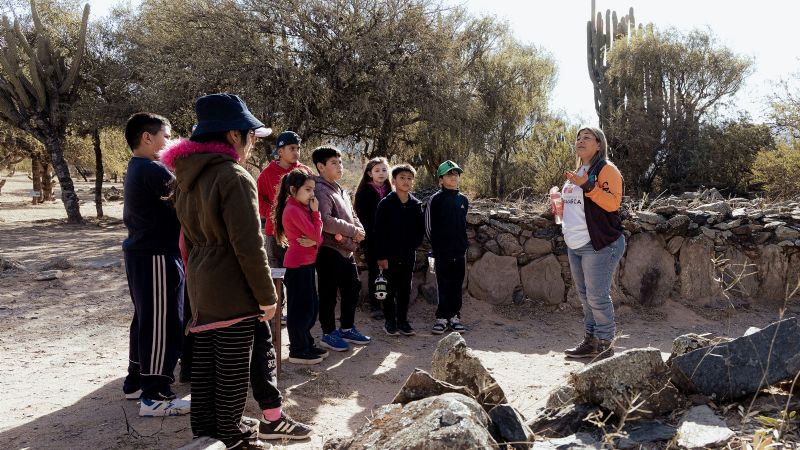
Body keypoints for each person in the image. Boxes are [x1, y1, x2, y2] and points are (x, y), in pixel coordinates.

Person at [160, 93, 280, 449]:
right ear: (232, 135)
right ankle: (232, 436)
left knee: (207, 364)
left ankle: (205, 431)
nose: (252, 143)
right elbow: (249, 245)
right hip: (232, 286)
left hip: (201, 283)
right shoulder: (233, 176)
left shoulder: (186, 175)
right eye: (250, 135)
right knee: (232, 368)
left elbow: (185, 241)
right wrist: (267, 296)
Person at [121, 112, 189, 417]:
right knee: (164, 323)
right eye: (167, 136)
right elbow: (186, 202)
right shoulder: (152, 169)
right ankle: (156, 395)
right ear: (147, 137)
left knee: (146, 320)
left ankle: (136, 381)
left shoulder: (138, 166)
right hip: (157, 256)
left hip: (143, 254)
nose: (171, 142)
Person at [561, 126, 625, 361]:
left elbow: (613, 203)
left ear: (599, 144)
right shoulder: (578, 171)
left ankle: (606, 345)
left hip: (599, 244)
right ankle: (590, 342)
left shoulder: (607, 170)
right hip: (575, 244)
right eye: (578, 137)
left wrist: (588, 186)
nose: (580, 140)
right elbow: (577, 206)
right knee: (585, 297)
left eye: (587, 137)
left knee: (597, 297)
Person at [312, 146, 371, 352]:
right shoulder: (320, 189)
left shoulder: (339, 188)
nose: (340, 166)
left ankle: (347, 328)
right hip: (329, 249)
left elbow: (352, 214)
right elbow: (326, 221)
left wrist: (359, 230)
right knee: (328, 293)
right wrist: (354, 231)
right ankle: (328, 333)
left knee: (352, 288)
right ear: (321, 167)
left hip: (346, 249)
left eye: (340, 162)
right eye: (334, 163)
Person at [273, 169, 328, 364]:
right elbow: (317, 235)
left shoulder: (302, 207)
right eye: (307, 189)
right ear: (293, 190)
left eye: (313, 189)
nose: (312, 194)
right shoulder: (294, 210)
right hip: (297, 266)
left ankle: (306, 343)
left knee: (310, 308)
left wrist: (315, 240)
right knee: (300, 310)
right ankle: (298, 349)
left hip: (307, 263)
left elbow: (317, 238)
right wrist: (316, 215)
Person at [373, 164, 425, 336]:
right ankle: (390, 321)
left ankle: (403, 321)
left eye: (409, 178)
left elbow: (419, 231)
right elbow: (378, 232)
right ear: (393, 181)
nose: (406, 181)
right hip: (389, 255)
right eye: (402, 178)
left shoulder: (416, 205)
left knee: (405, 288)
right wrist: (381, 256)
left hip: (408, 254)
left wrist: (411, 247)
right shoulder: (386, 204)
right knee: (389, 288)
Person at [425, 160, 469, 335]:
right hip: (441, 252)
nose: (454, 177)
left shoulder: (463, 200)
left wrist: (463, 246)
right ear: (440, 179)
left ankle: (454, 317)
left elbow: (463, 225)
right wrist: (437, 246)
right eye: (449, 174)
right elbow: (428, 226)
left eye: (456, 174)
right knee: (443, 284)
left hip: (459, 251)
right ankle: (442, 318)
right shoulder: (435, 199)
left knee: (457, 285)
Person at [353, 157, 392, 320]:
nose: (381, 173)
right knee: (375, 271)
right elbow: (362, 218)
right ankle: (375, 305)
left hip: (390, 239)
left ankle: (388, 302)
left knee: (389, 271)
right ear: (370, 173)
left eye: (384, 170)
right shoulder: (364, 192)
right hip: (371, 239)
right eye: (377, 170)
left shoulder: (391, 190)